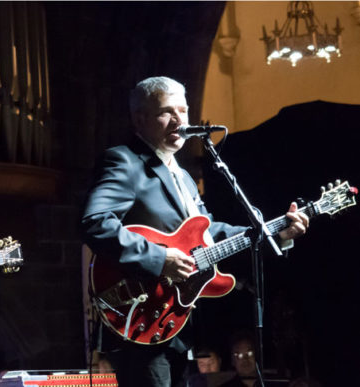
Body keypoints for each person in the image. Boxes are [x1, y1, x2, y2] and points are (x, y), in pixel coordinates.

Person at [80, 76, 309, 387]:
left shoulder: (184, 177)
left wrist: (277, 232)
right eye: (167, 112)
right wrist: (159, 258)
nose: (179, 120)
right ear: (139, 118)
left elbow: (208, 233)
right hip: (139, 313)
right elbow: (94, 222)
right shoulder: (124, 161)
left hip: (175, 321)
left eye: (184, 111)